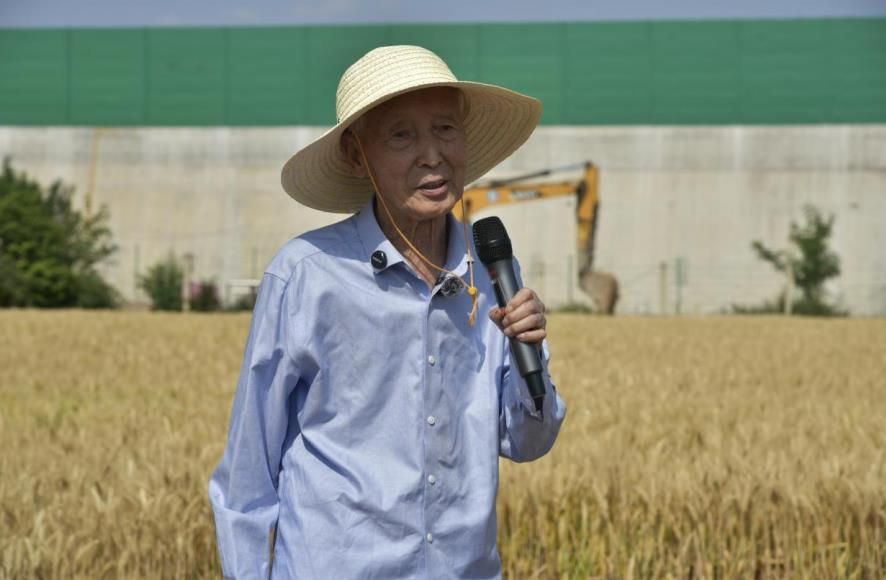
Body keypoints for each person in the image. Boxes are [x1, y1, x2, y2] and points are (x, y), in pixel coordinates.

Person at [209, 45, 567, 579]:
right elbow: (248, 472)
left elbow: (526, 442)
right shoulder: (307, 275)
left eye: (445, 129)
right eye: (402, 135)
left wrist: (528, 359)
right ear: (357, 155)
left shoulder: (492, 270)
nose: (432, 155)